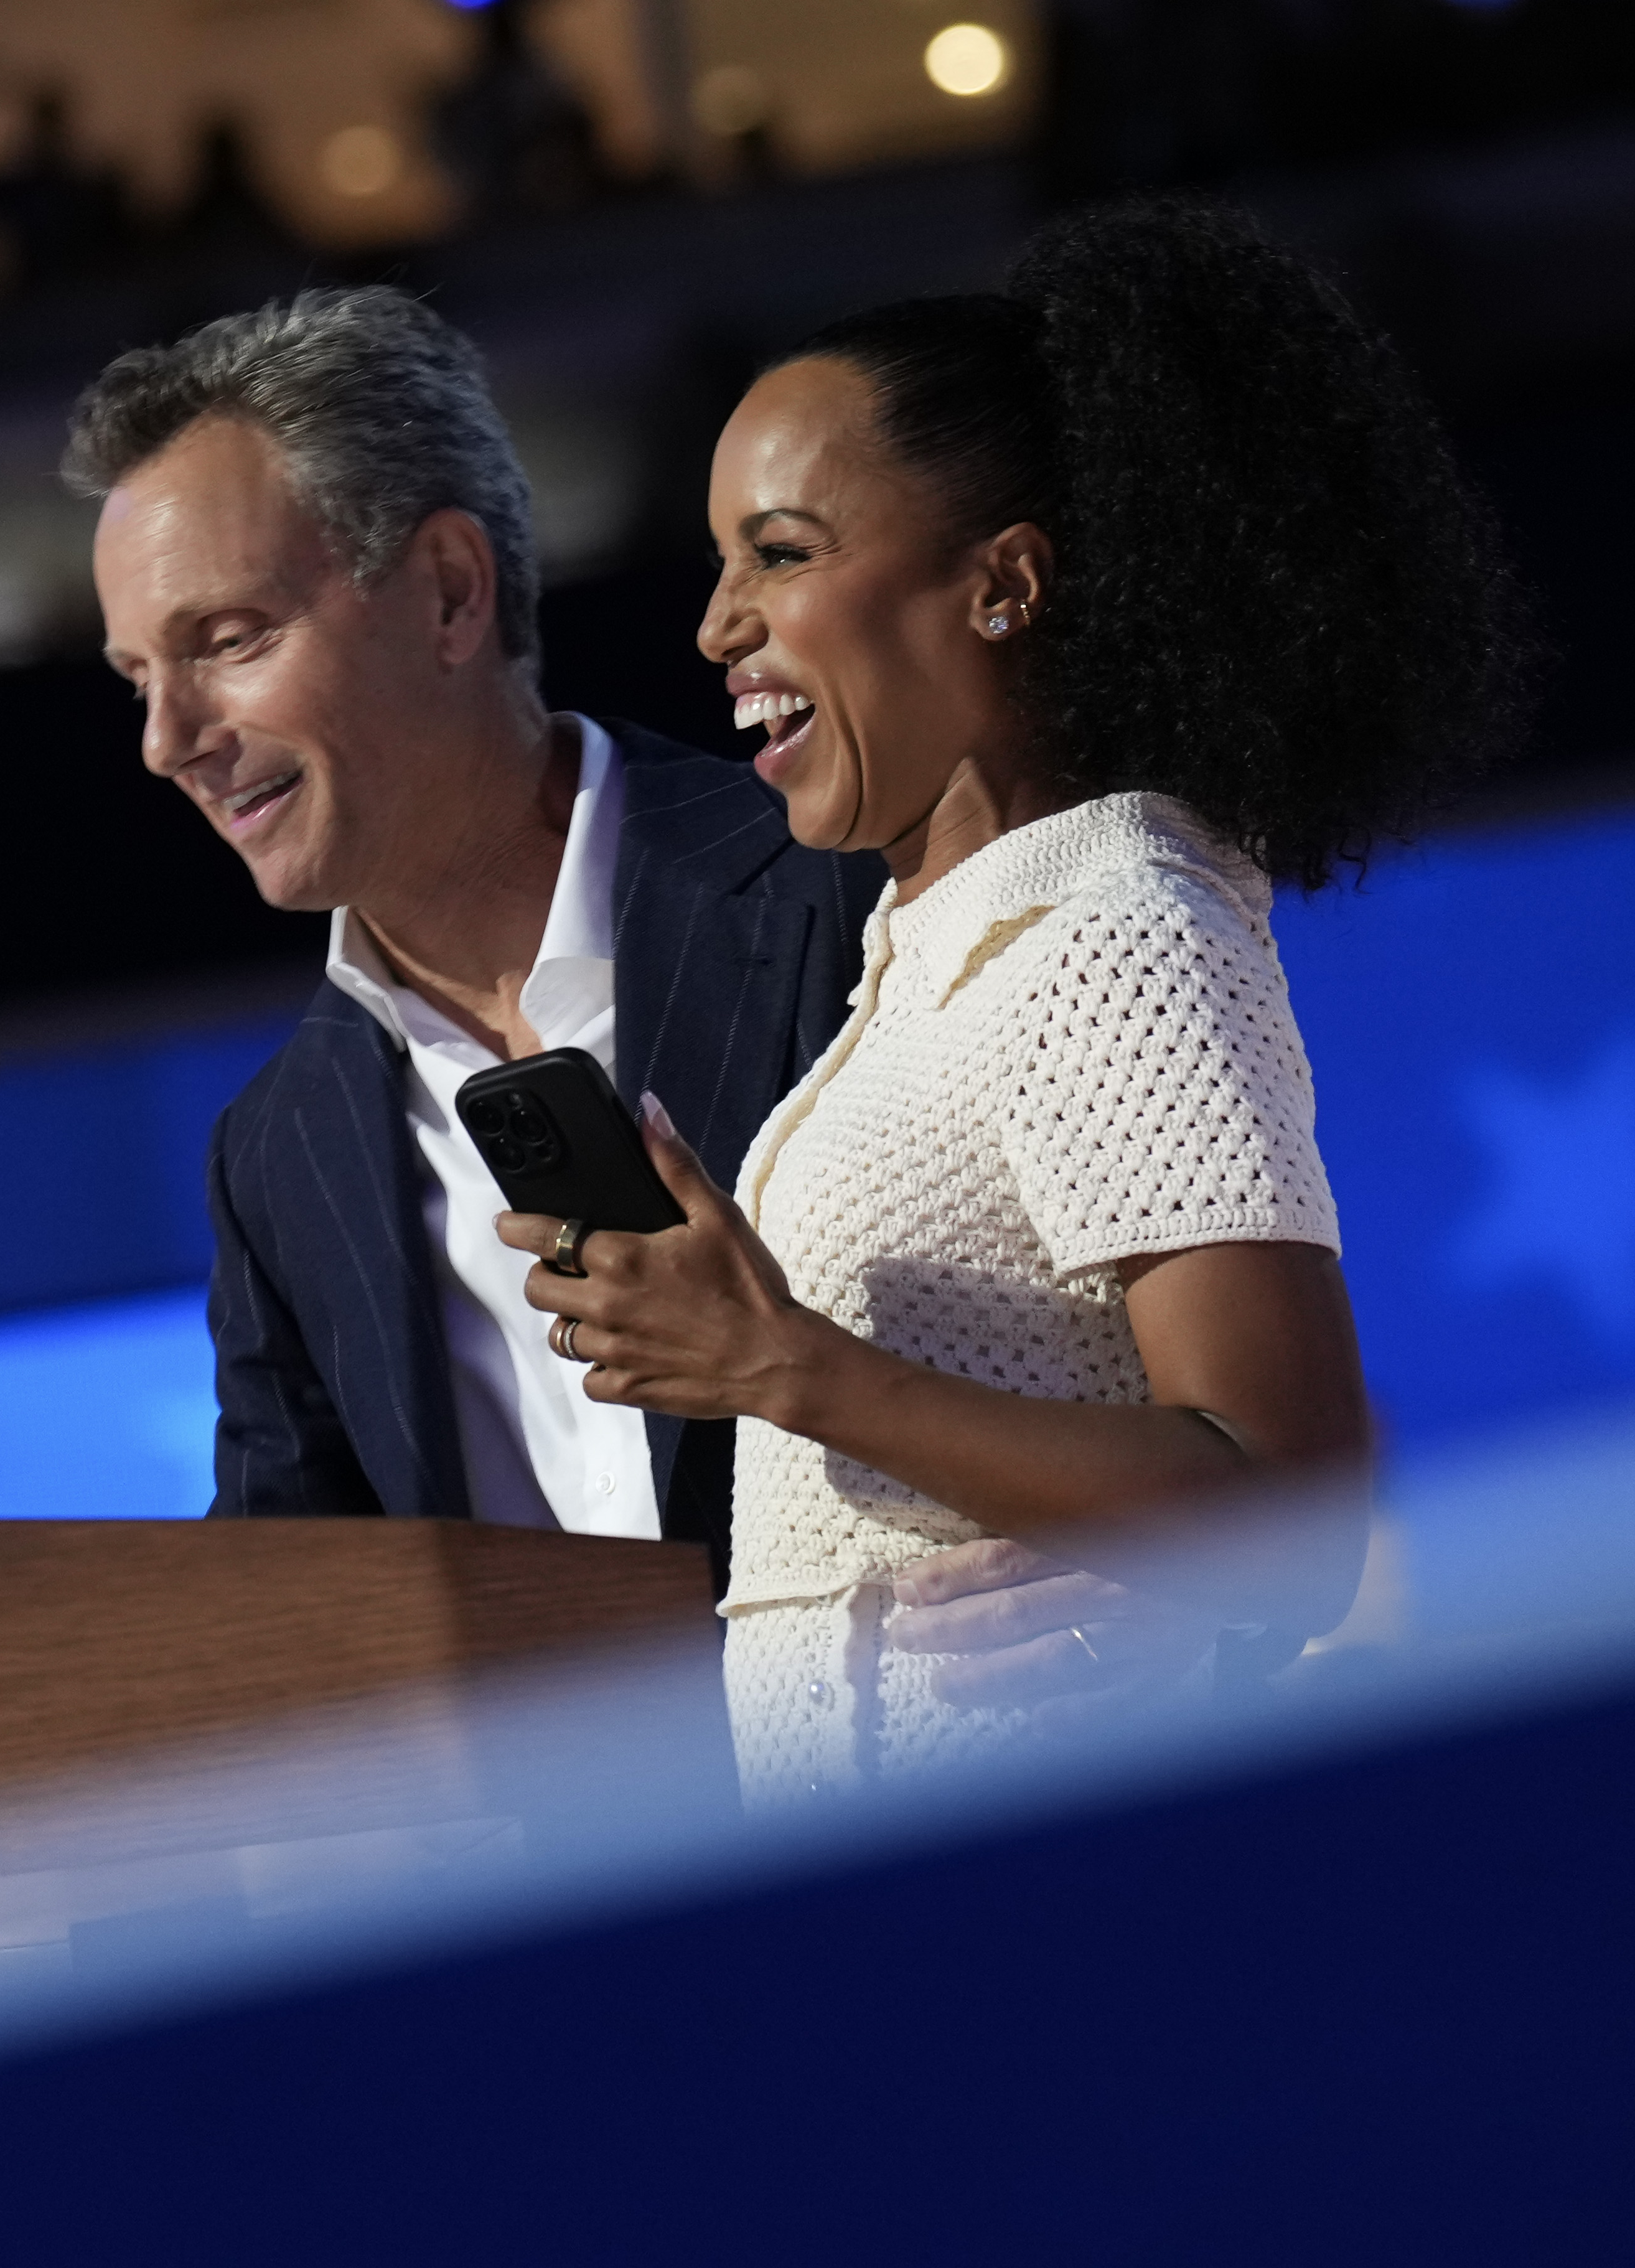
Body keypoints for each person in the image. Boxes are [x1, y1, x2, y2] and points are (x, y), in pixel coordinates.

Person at [497, 199, 1530, 1799]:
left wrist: (784, 1361)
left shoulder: (1114, 930)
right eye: (720, 566)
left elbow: (1292, 1503)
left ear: (1005, 585)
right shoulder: (941, 945)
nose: (716, 625)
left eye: (782, 554)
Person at [67, 288, 882, 1553]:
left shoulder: (846, 885)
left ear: (450, 592)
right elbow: (296, 1624)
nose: (167, 742)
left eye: (226, 641)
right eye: (137, 680)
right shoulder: (282, 1151)